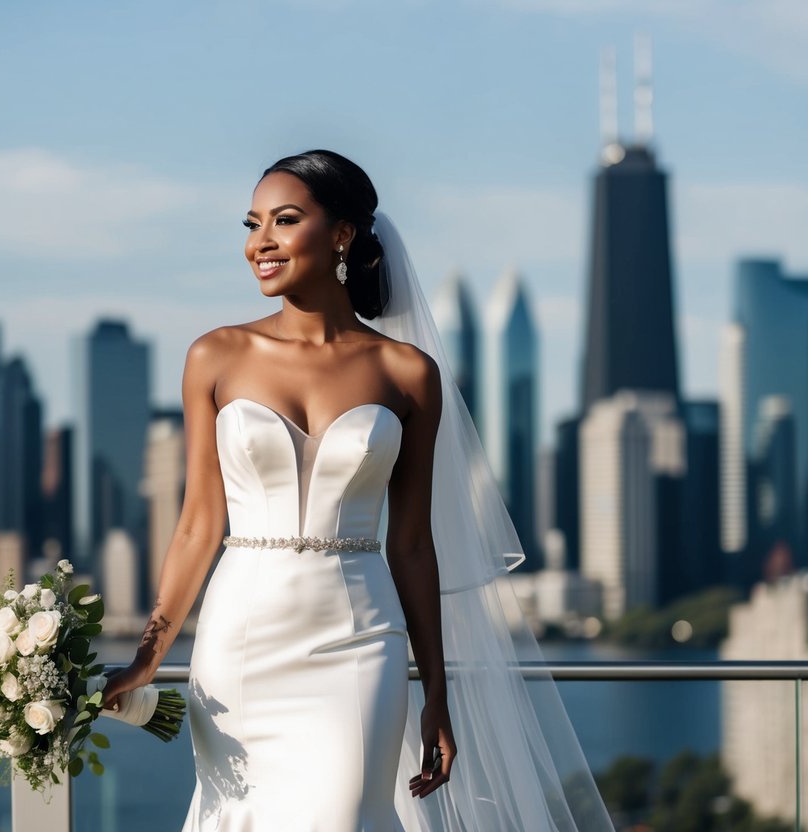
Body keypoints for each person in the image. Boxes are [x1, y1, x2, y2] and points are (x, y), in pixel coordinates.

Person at [103, 150, 614, 831]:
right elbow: (197, 525)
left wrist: (436, 695)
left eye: (285, 220)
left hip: (359, 639)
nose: (261, 241)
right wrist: (148, 655)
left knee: (346, 814)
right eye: (252, 224)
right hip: (241, 639)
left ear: (342, 234)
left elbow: (410, 544)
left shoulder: (407, 374)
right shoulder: (214, 356)